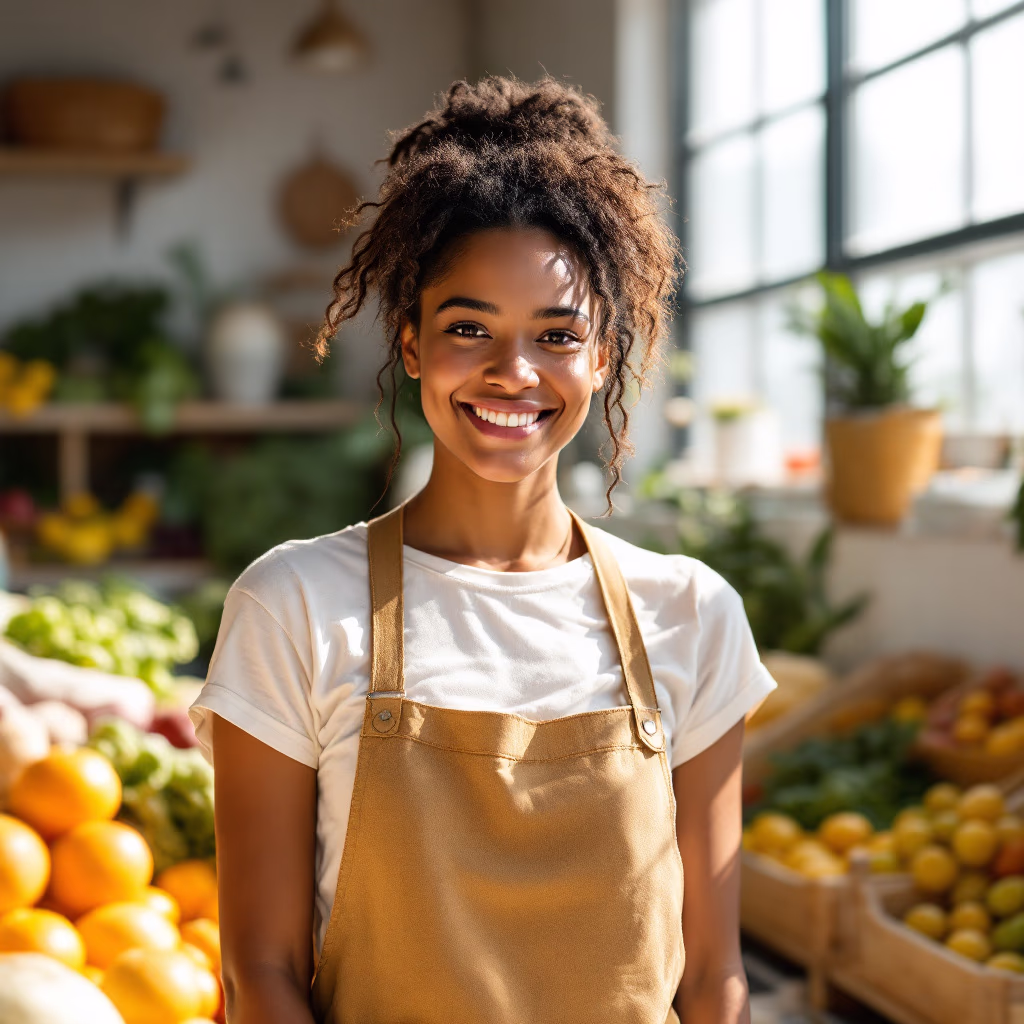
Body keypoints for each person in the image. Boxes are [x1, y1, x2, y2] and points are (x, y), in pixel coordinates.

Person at [190, 76, 775, 1024]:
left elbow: (713, 982)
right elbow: (258, 973)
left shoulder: (693, 613)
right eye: (470, 328)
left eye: (557, 335)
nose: (515, 372)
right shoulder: (293, 604)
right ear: (412, 342)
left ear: (603, 355)